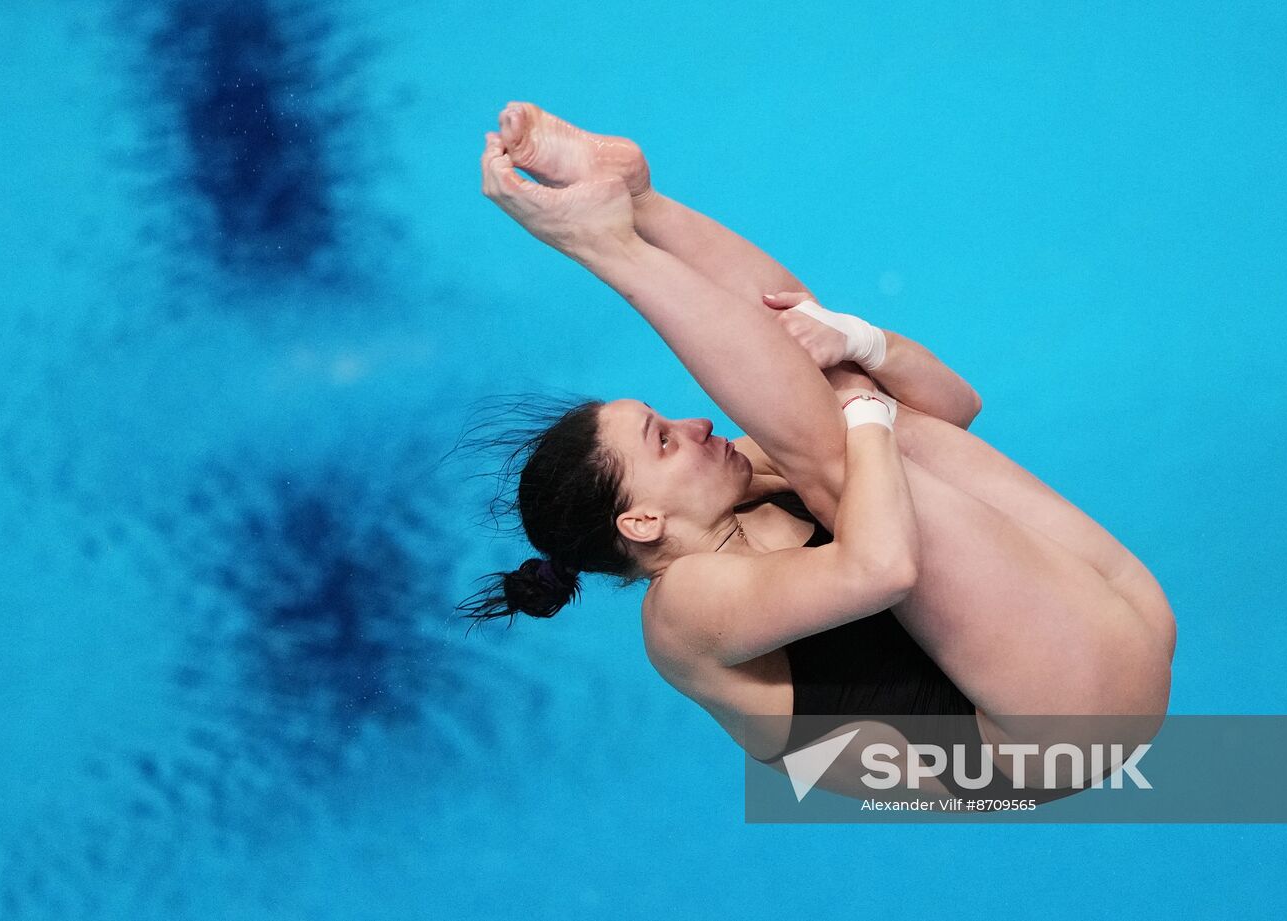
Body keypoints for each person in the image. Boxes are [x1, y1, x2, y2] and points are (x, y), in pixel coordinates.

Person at [460, 102, 1176, 799]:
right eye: (665, 440)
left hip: (1124, 612)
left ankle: (641, 205)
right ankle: (602, 243)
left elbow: (955, 409)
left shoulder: (746, 481)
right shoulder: (681, 610)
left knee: (832, 383)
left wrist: (858, 343)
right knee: (838, 440)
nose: (697, 424)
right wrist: (859, 412)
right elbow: (881, 565)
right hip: (1063, 729)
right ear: (642, 522)